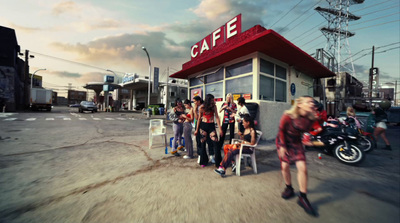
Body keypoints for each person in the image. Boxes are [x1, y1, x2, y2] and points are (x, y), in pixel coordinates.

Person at [276, 96, 317, 216]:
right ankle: (289, 188)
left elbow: (307, 131)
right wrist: (282, 146)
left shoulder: (310, 119)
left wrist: (309, 139)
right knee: (285, 167)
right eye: (308, 102)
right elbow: (281, 130)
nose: (312, 104)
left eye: (312, 102)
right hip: (283, 141)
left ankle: (303, 197)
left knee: (303, 168)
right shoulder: (288, 116)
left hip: (296, 143)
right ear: (299, 104)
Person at [194, 94, 223, 167]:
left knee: (216, 143)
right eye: (212, 100)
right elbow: (199, 119)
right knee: (203, 144)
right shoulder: (202, 108)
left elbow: (217, 117)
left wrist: (220, 129)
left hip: (211, 126)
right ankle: (203, 161)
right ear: (208, 100)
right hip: (203, 126)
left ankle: (218, 162)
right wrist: (197, 130)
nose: (213, 101)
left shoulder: (214, 107)